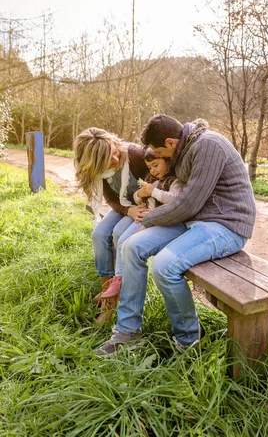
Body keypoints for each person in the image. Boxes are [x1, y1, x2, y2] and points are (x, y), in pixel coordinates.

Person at [96, 115, 256, 356]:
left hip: (225, 224)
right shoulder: (185, 149)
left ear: (171, 142)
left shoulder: (208, 146)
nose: (161, 158)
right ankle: (127, 332)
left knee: (164, 266)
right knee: (130, 246)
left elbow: (188, 204)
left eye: (160, 152)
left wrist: (147, 220)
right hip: (195, 221)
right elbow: (183, 203)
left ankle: (189, 339)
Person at [73, 127, 148, 323]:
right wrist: (128, 210)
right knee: (99, 234)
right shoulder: (101, 171)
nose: (115, 160)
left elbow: (158, 184)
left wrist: (135, 210)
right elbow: (112, 200)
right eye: (108, 159)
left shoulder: (134, 156)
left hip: (145, 208)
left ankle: (118, 296)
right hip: (127, 207)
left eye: (114, 153)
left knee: (118, 233)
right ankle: (108, 292)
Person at [100, 148, 181, 299]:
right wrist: (139, 194)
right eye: (150, 167)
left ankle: (119, 279)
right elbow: (138, 199)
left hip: (157, 219)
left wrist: (153, 192)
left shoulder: (173, 180)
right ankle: (118, 278)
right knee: (119, 235)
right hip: (146, 215)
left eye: (156, 165)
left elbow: (174, 200)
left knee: (125, 241)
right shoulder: (152, 179)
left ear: (167, 161)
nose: (153, 170)